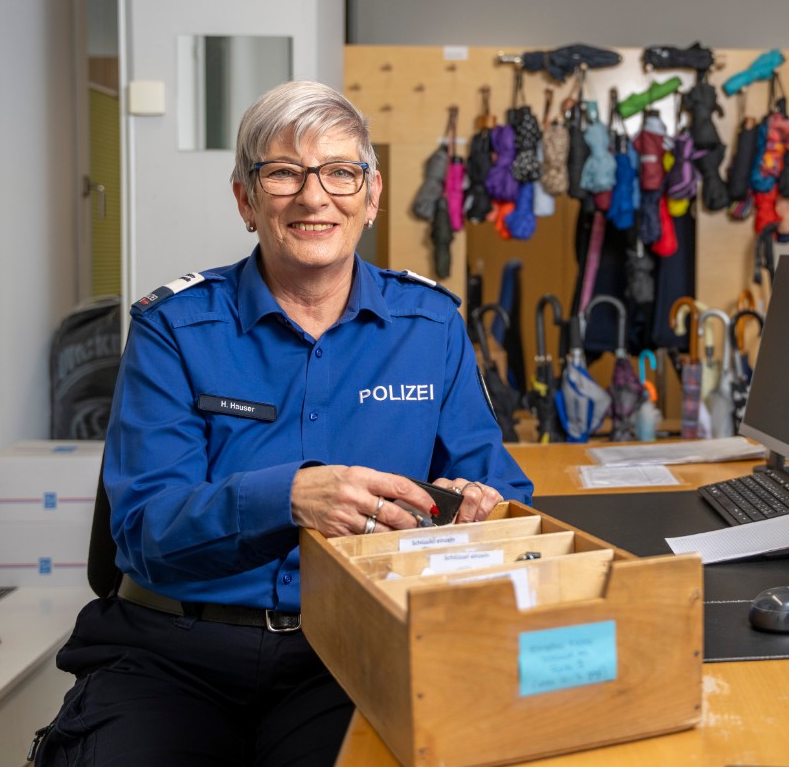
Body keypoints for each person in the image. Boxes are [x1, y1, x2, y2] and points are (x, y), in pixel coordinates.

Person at [32, 80, 533, 766]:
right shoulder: (173, 328)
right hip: (173, 650)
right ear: (245, 198)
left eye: (339, 172)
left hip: (353, 650)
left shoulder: (432, 327)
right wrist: (289, 497)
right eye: (282, 173)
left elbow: (502, 489)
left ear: (372, 194)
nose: (313, 195)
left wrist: (485, 507)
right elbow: (143, 529)